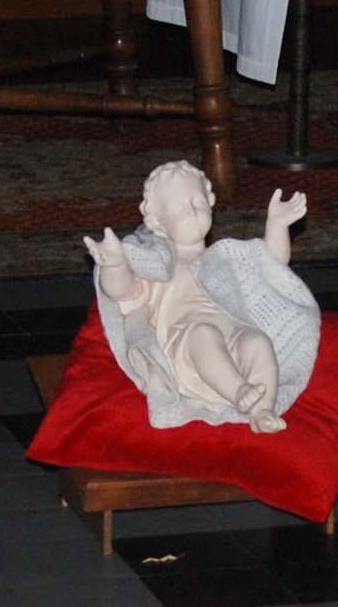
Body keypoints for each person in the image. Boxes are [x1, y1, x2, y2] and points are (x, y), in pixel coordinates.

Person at [84, 162, 320, 431]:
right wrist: (115, 264)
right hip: (188, 347)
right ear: (157, 223)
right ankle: (239, 391)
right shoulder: (158, 265)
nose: (192, 210)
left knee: (258, 341)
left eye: (197, 201)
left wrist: (277, 225)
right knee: (204, 334)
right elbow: (122, 291)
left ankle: (262, 409)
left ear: (210, 202)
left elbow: (271, 265)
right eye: (178, 208)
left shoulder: (223, 256)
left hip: (234, 335)